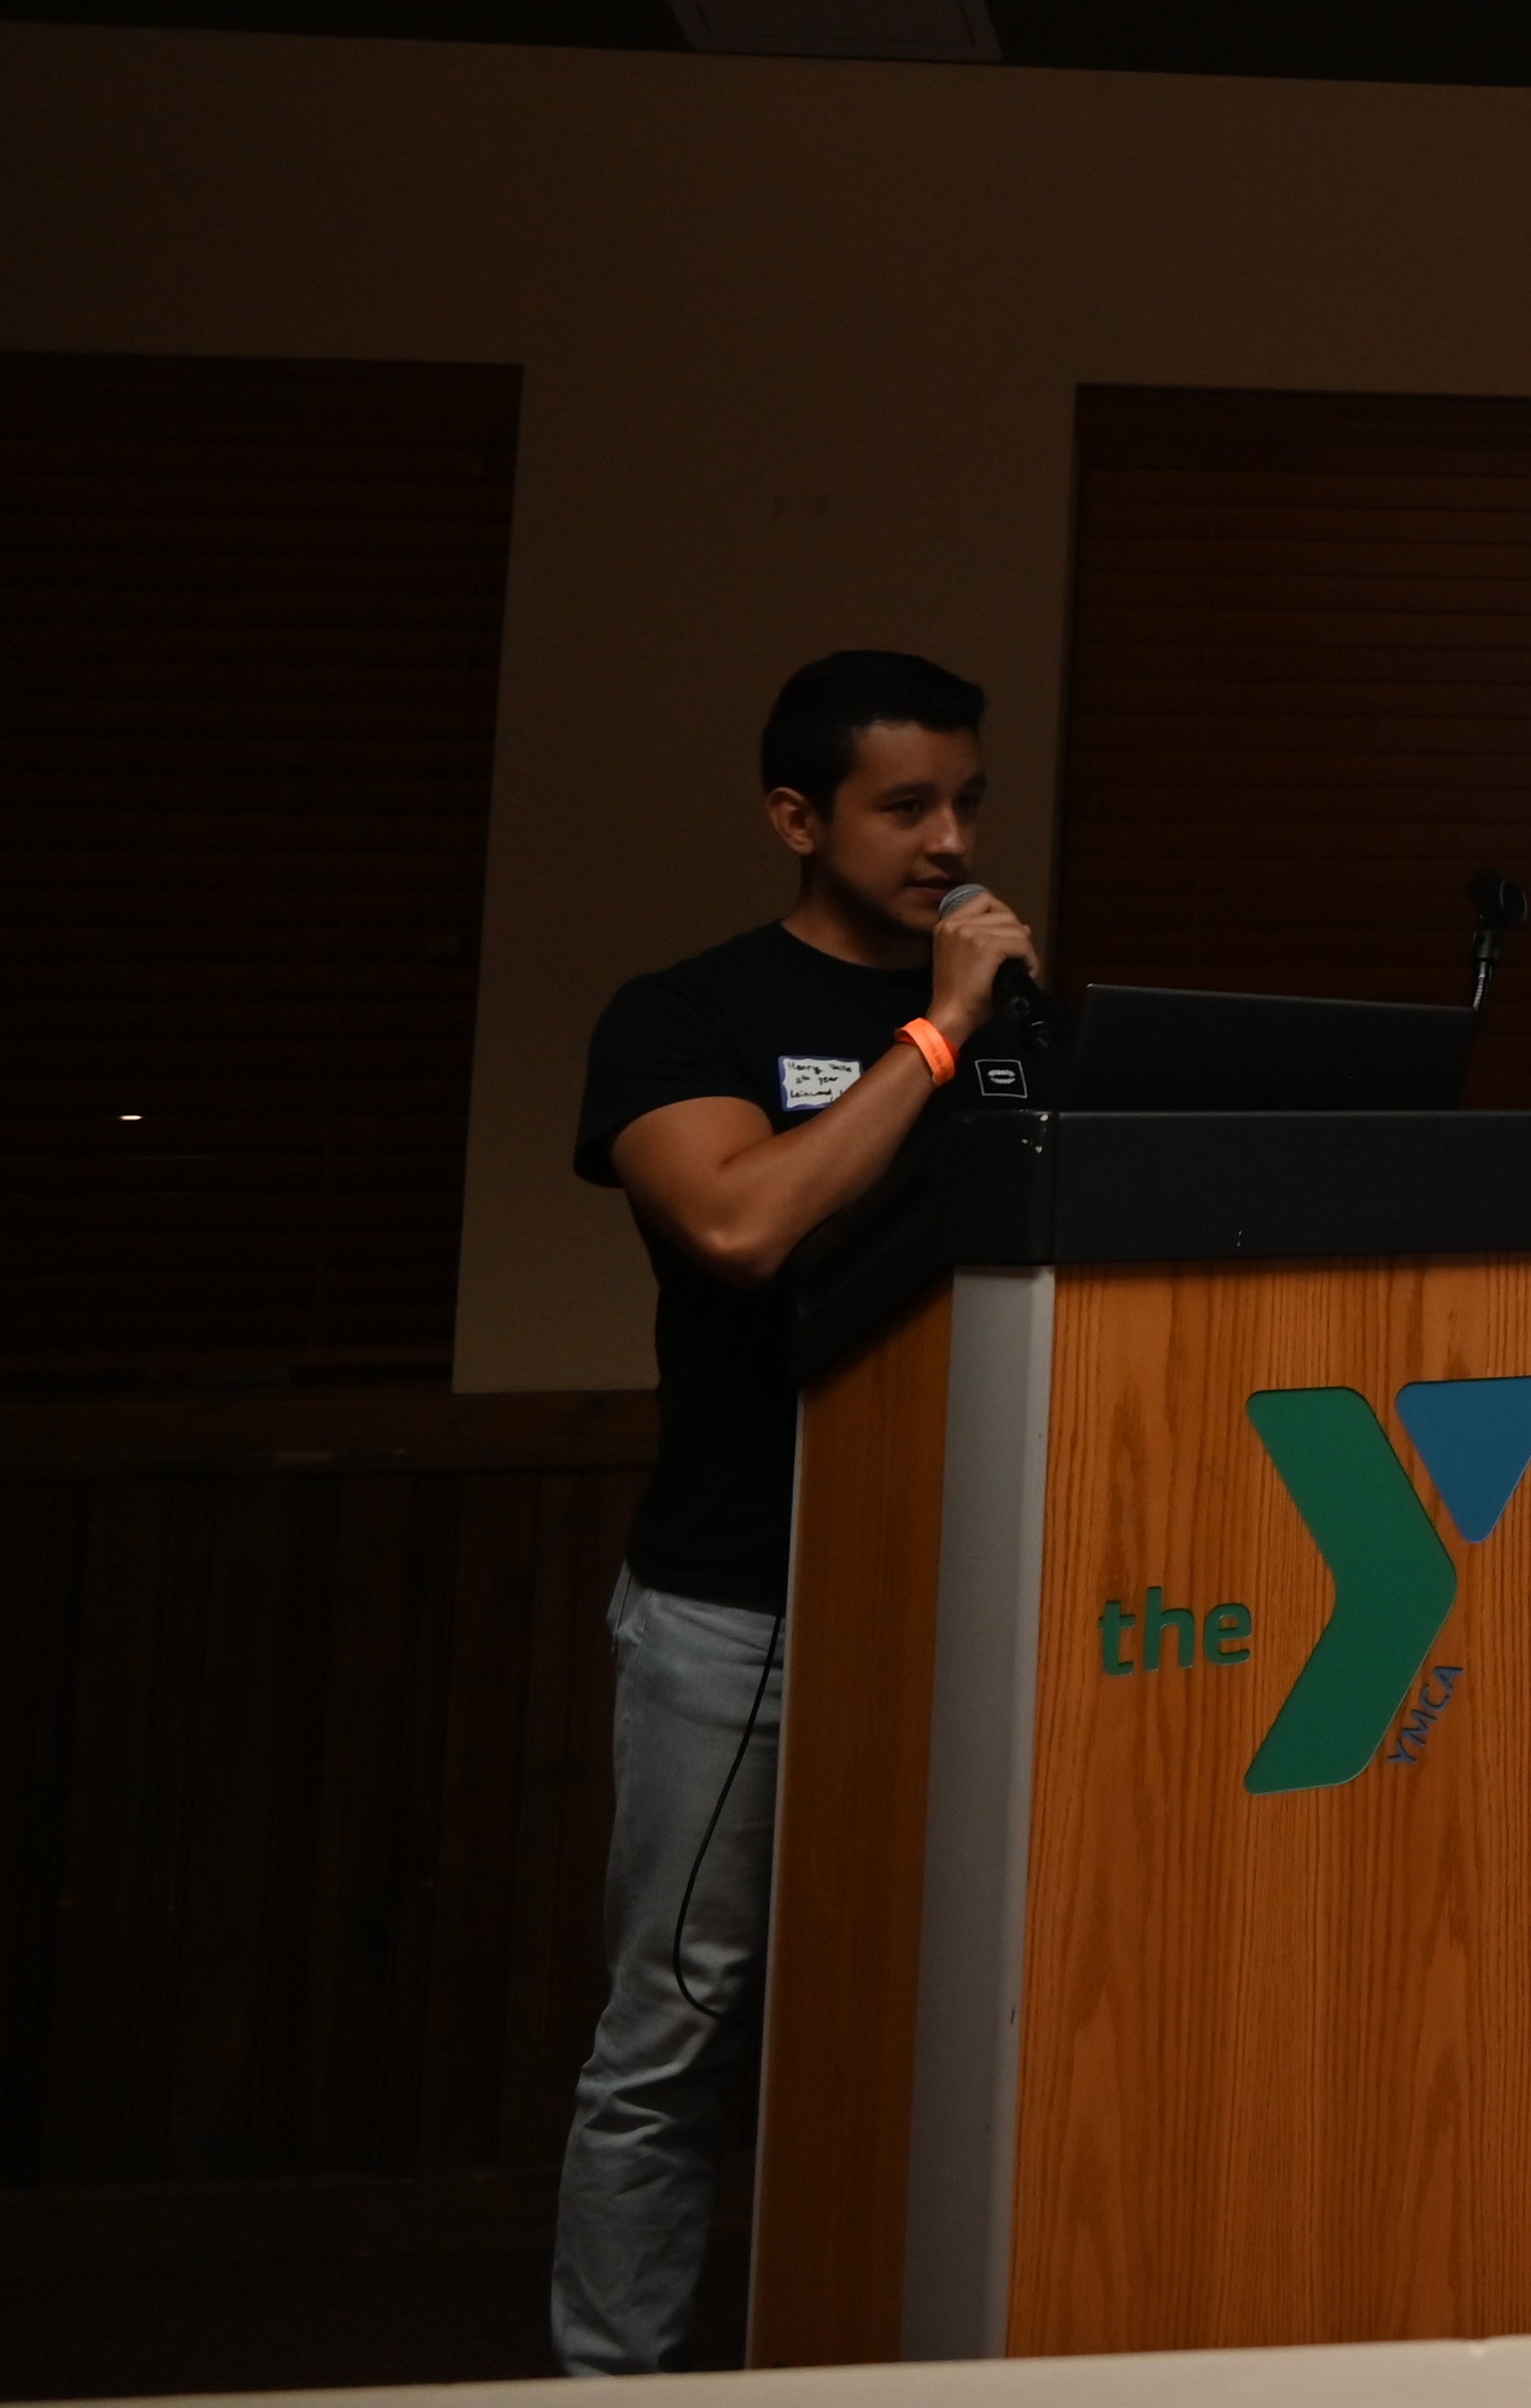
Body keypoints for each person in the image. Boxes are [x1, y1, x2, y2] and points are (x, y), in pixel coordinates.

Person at [550, 652, 1040, 2375]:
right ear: (796, 816)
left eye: (966, 801)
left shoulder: (1025, 1025)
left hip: (971, 1599)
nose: (950, 841)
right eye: (906, 806)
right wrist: (939, 1033)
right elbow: (744, 1228)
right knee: (674, 2031)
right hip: (737, 1599)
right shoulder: (685, 1015)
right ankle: (613, 2383)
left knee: (950, 2018)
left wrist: (984, 1028)